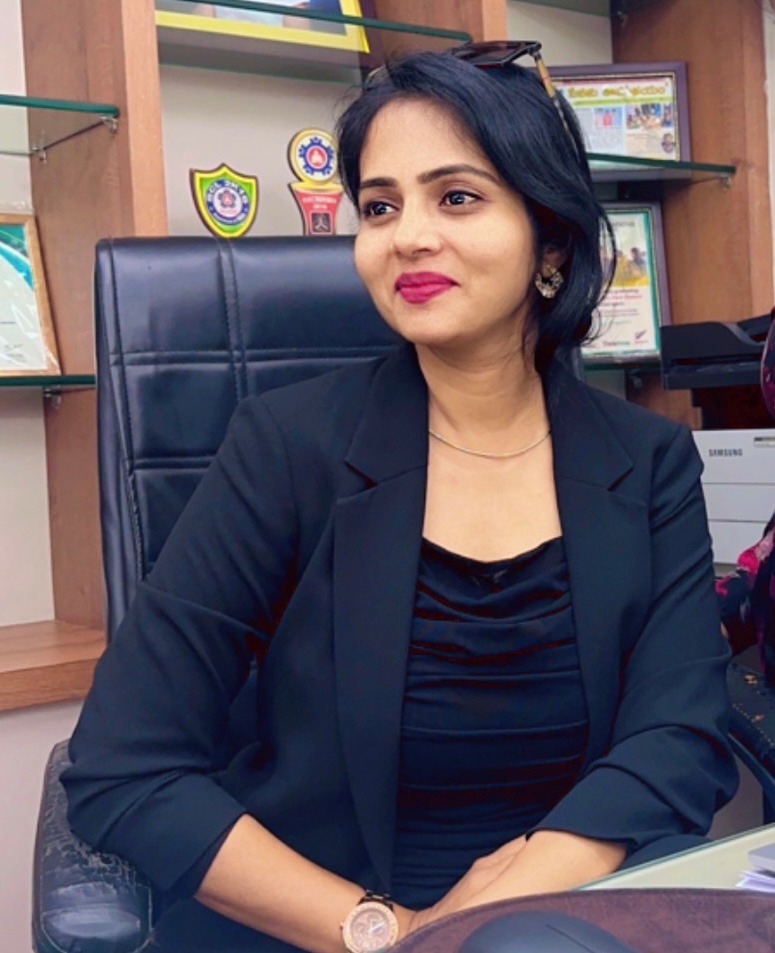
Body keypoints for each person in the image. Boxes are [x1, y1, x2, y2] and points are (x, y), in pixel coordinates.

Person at [62, 43, 737, 953]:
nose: (406, 236)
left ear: (551, 239)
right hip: (320, 924)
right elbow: (123, 766)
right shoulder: (283, 446)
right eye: (379, 206)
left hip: (568, 911)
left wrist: (486, 915)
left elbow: (677, 735)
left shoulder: (647, 462)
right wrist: (384, 931)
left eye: (455, 197)